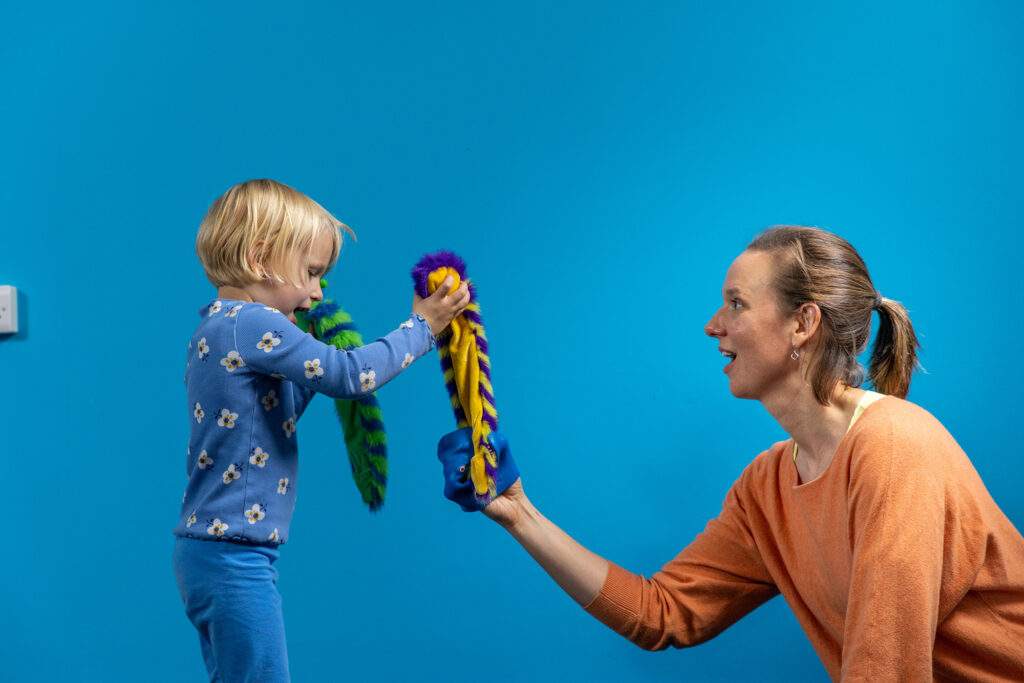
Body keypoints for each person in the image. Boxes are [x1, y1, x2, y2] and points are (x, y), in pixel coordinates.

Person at [438, 225, 1024, 681]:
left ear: (803, 323)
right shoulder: (768, 487)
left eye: (736, 304)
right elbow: (662, 612)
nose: (712, 326)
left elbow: (885, 674)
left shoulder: (894, 451)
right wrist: (520, 513)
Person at [173, 178, 470, 682]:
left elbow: (280, 408)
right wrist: (423, 327)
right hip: (235, 557)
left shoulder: (218, 325)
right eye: (311, 273)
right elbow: (350, 376)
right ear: (260, 256)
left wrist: (311, 358)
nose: (315, 295)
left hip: (214, 552)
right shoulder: (248, 323)